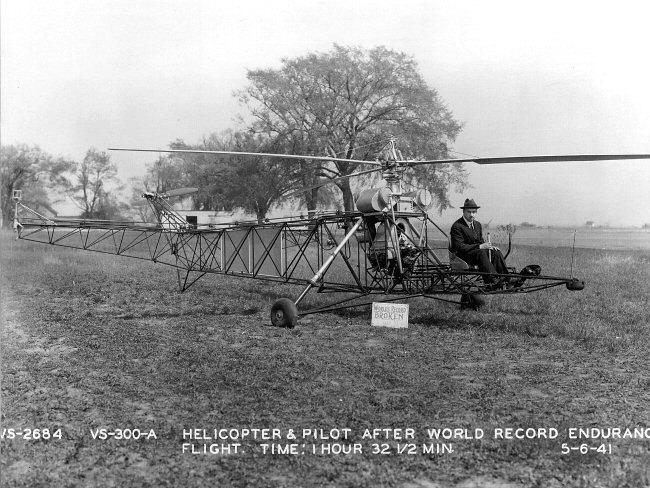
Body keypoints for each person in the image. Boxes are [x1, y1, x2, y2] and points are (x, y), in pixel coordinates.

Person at [450, 198, 510, 287]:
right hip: (462, 256)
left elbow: (480, 241)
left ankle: (506, 278)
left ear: (476, 212)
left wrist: (489, 247)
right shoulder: (457, 226)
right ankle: (492, 280)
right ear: (463, 212)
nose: (471, 215)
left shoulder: (477, 224)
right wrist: (479, 247)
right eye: (469, 212)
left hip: (475, 253)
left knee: (495, 252)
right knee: (480, 252)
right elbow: (459, 247)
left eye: (474, 212)